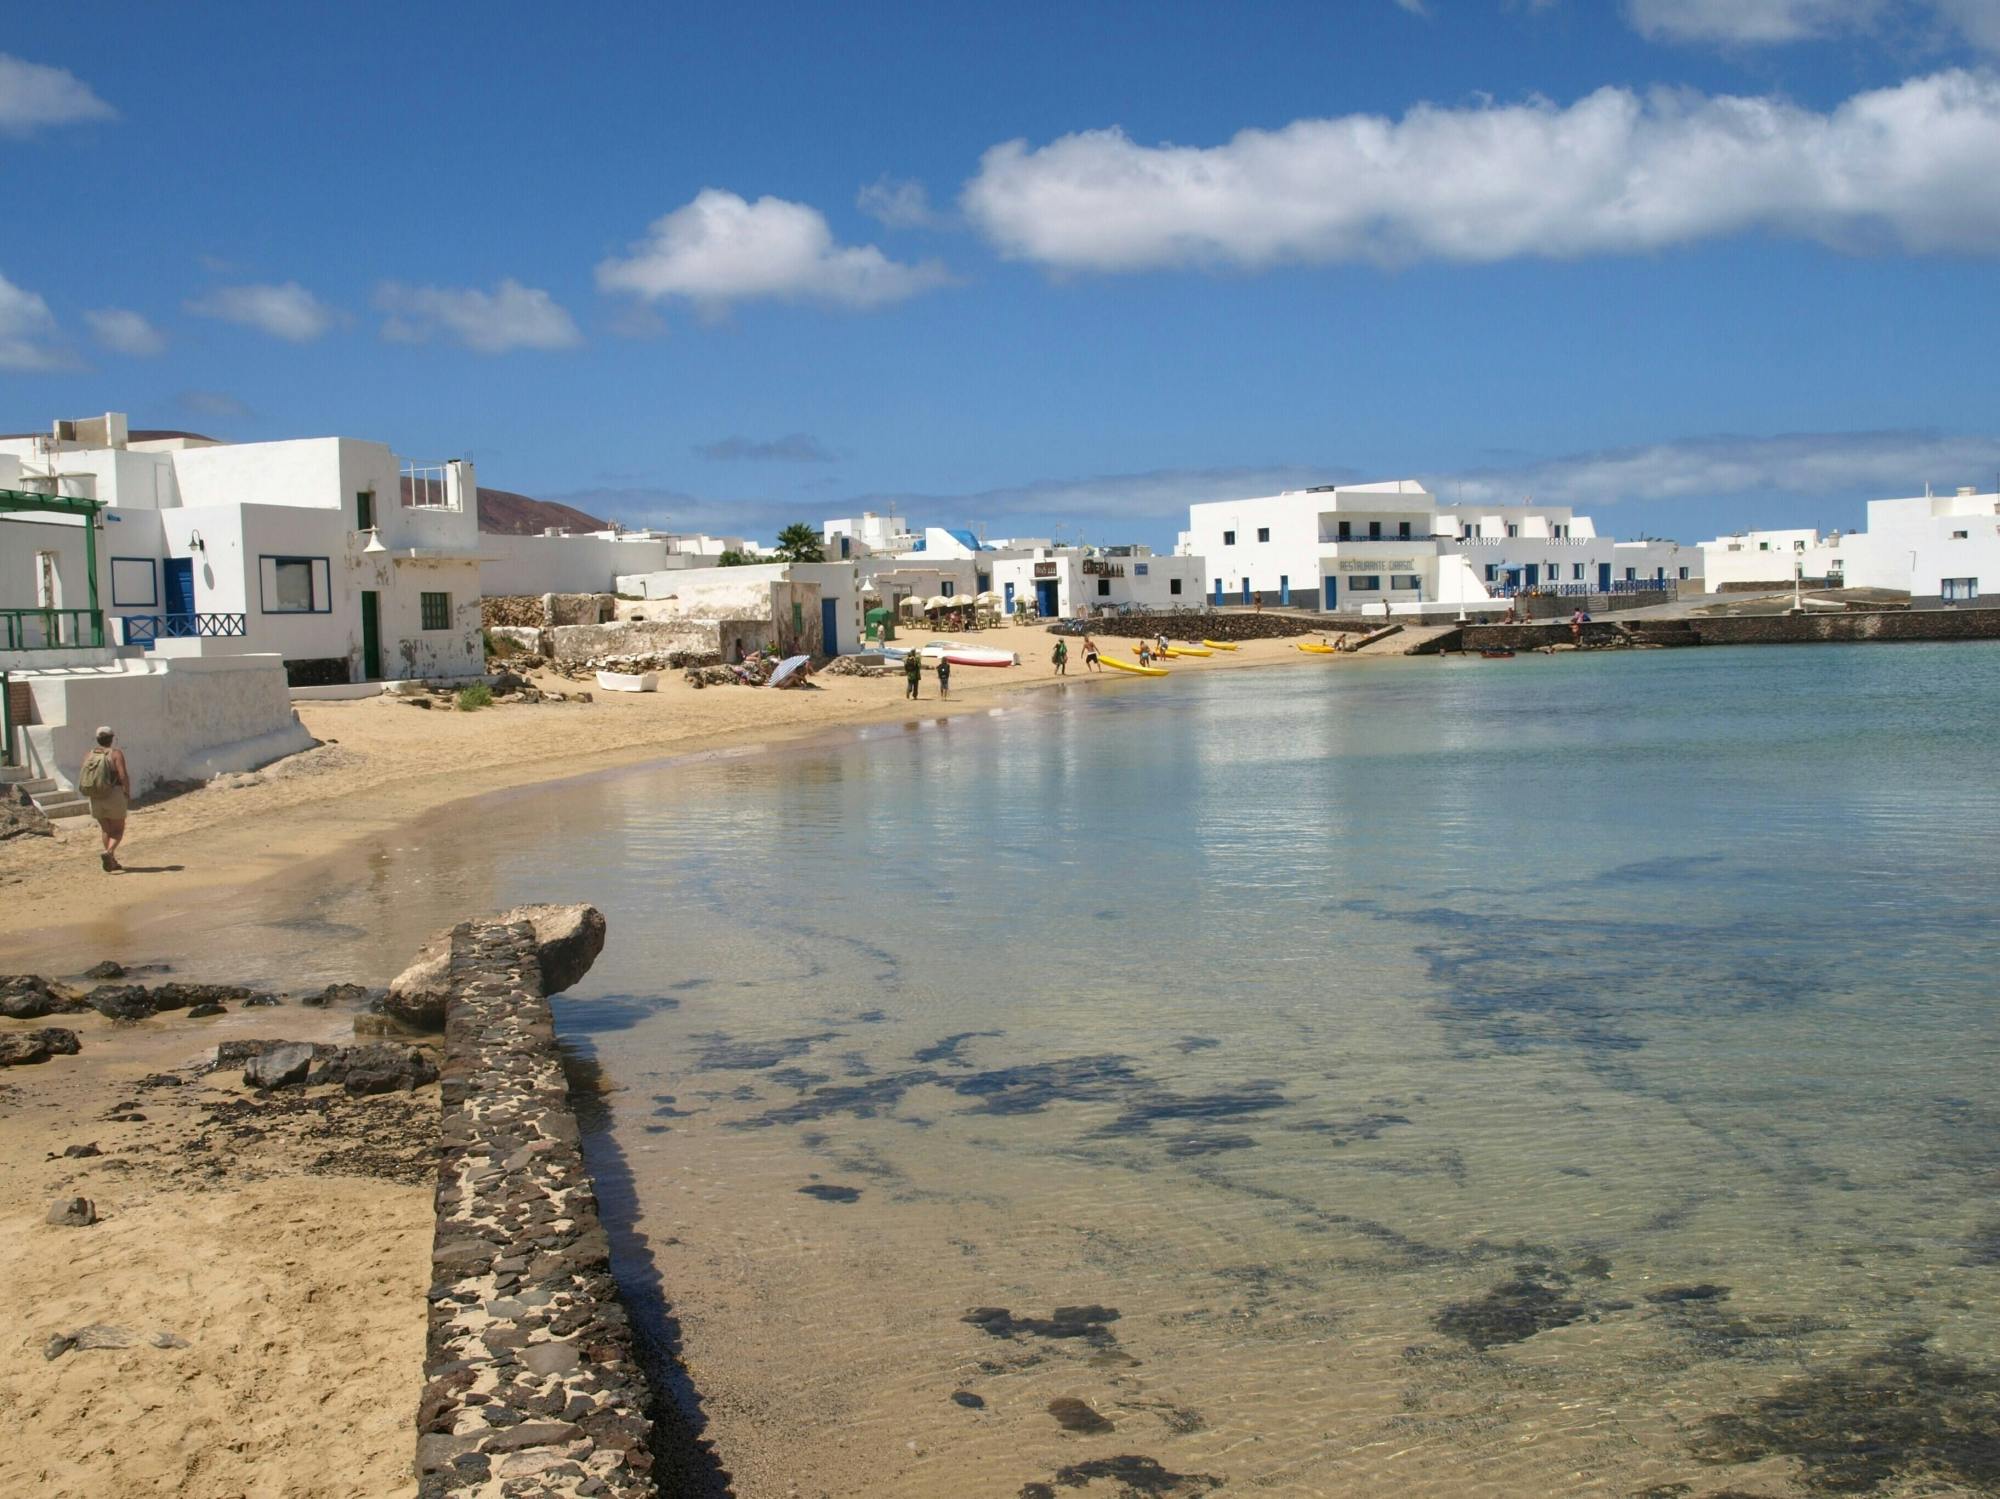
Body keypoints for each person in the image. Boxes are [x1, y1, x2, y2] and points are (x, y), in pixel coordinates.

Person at [79, 726, 130, 873]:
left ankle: (112, 860)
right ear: (112, 738)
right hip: (113, 794)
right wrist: (127, 791)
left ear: (97, 739)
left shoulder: (89, 754)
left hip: (95, 795)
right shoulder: (115, 754)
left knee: (106, 829)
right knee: (118, 829)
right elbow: (122, 775)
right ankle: (109, 852)